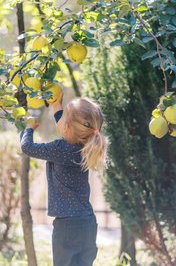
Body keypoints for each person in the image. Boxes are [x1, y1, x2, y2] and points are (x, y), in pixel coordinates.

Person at [20, 91, 109, 266]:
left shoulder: (59, 149)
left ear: (66, 127)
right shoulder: (87, 145)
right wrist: (57, 106)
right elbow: (68, 129)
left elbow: (27, 147)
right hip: (87, 222)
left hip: (67, 225)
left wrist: (28, 129)